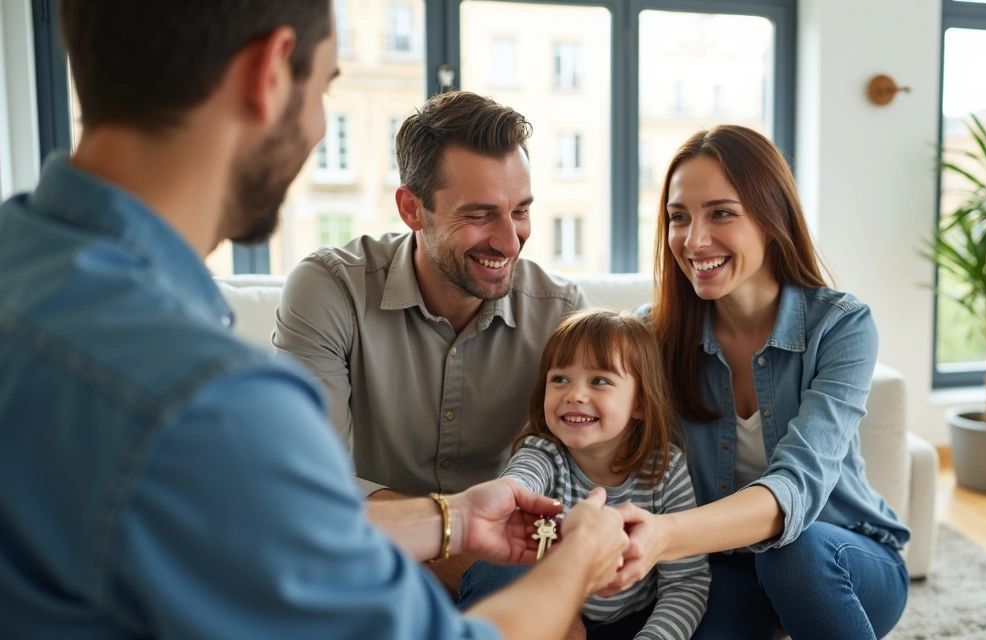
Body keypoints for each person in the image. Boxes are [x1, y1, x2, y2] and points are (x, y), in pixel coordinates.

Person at [0, 2, 629, 638]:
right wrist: (579, 557)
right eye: (326, 86)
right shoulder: (210, 401)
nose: (322, 126)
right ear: (270, 74)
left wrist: (453, 521)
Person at [273, 89, 588, 590]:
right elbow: (303, 486)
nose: (510, 242)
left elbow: (583, 479)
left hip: (501, 566)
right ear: (412, 209)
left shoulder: (562, 314)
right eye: (480, 214)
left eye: (521, 210)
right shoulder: (330, 290)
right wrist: (450, 537)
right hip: (367, 561)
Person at [616, 125, 912, 639]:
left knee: (790, 553)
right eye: (678, 217)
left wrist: (666, 535)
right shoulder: (651, 335)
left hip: (842, 559)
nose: (694, 239)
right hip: (723, 567)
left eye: (721, 213)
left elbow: (798, 484)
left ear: (772, 217)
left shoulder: (841, 326)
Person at [459, 309, 711, 640]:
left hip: (635, 622)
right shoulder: (543, 452)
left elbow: (685, 582)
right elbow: (519, 482)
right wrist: (506, 494)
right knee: (496, 570)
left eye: (599, 381)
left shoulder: (665, 470)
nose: (575, 394)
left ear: (639, 404)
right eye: (560, 378)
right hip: (545, 612)